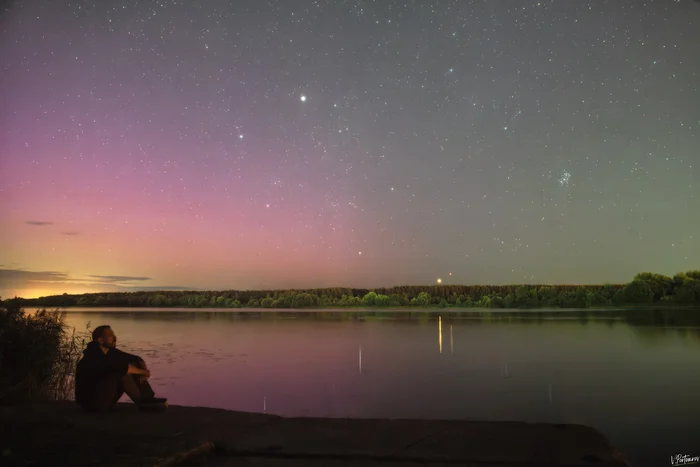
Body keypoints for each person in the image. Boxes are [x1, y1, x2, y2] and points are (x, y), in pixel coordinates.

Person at [75, 325, 167, 412]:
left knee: (132, 364)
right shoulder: (94, 355)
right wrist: (143, 372)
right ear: (101, 340)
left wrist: (143, 370)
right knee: (122, 371)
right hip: (92, 403)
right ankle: (142, 403)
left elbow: (136, 359)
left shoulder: (109, 351)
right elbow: (122, 368)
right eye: (110, 336)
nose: (115, 338)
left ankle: (147, 398)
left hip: (103, 396)